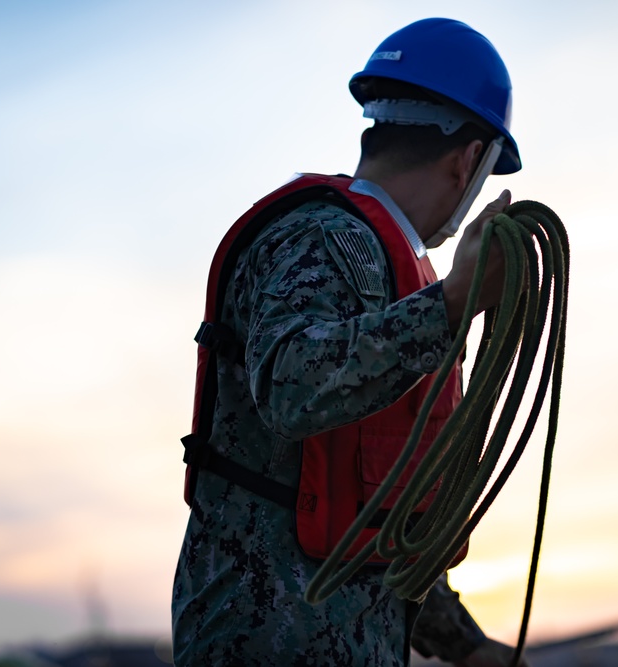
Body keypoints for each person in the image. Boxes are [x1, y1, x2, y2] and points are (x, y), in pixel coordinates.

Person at [172, 18, 532, 667]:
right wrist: (453, 302)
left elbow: (379, 526)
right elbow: (292, 384)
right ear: (468, 160)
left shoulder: (393, 272)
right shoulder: (320, 237)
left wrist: (469, 648)